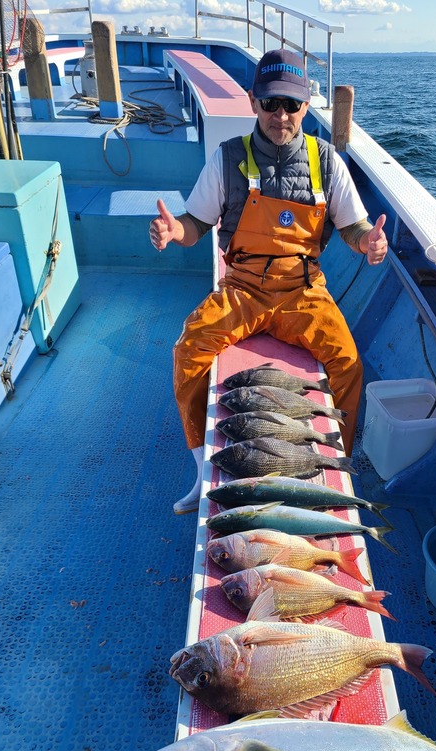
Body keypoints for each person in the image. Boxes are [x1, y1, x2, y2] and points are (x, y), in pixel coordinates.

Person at [150, 48, 388, 514]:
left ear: (305, 105)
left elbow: (353, 226)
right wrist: (172, 231)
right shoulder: (227, 159)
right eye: (271, 103)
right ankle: (203, 472)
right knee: (188, 350)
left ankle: (332, 463)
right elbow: (195, 223)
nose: (282, 115)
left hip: (303, 290)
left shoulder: (326, 160)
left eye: (292, 105)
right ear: (253, 102)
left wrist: (367, 243)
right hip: (242, 289)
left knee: (347, 363)